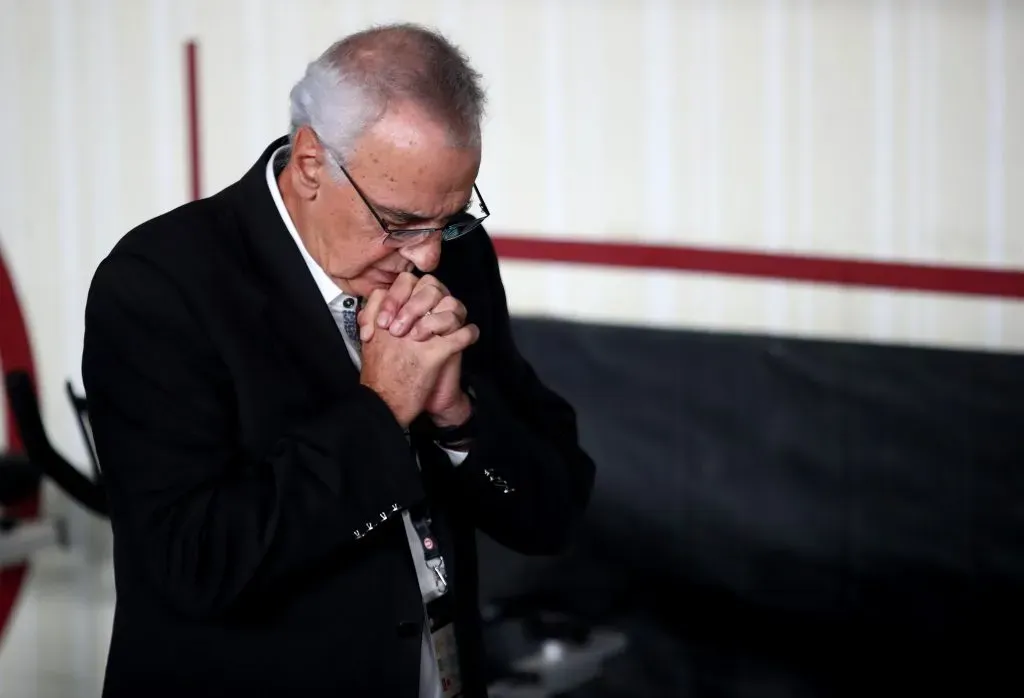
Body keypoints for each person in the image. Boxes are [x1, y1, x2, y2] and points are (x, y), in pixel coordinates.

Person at [81, 22, 595, 698]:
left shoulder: (456, 255)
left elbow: (550, 510)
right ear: (311, 163)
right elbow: (196, 566)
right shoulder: (160, 285)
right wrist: (381, 412)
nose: (428, 256)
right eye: (400, 222)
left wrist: (458, 420)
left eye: (450, 219)